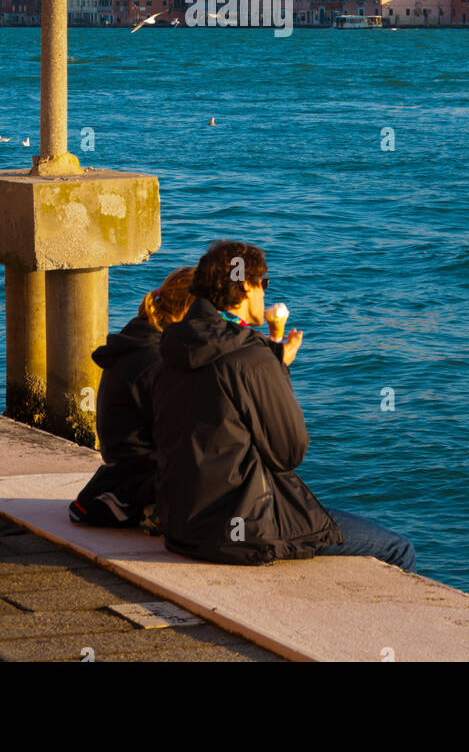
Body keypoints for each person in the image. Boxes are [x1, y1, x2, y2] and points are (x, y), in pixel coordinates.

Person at [153, 240, 416, 570]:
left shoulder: (172, 346)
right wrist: (276, 369)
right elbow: (290, 451)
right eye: (263, 283)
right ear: (246, 286)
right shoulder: (250, 357)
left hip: (182, 528)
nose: (265, 292)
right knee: (397, 549)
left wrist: (273, 359)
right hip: (245, 530)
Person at [69, 267, 196, 529]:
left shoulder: (142, 339)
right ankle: (147, 505)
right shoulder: (156, 358)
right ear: (189, 311)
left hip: (124, 459)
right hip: (140, 466)